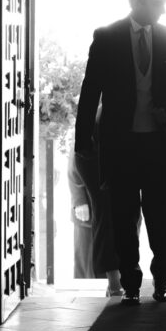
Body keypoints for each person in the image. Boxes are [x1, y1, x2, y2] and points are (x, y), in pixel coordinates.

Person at [74, 0, 166, 305]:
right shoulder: (107, 37)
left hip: (158, 144)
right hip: (120, 143)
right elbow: (90, 91)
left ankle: (162, 281)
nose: (163, 9)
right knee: (123, 215)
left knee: (160, 215)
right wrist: (83, 140)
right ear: (137, 2)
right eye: (158, 3)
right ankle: (130, 284)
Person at [67, 112, 123, 297]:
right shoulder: (93, 115)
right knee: (86, 255)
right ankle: (89, 292)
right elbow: (75, 159)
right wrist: (79, 200)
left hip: (115, 195)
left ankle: (115, 283)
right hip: (89, 201)